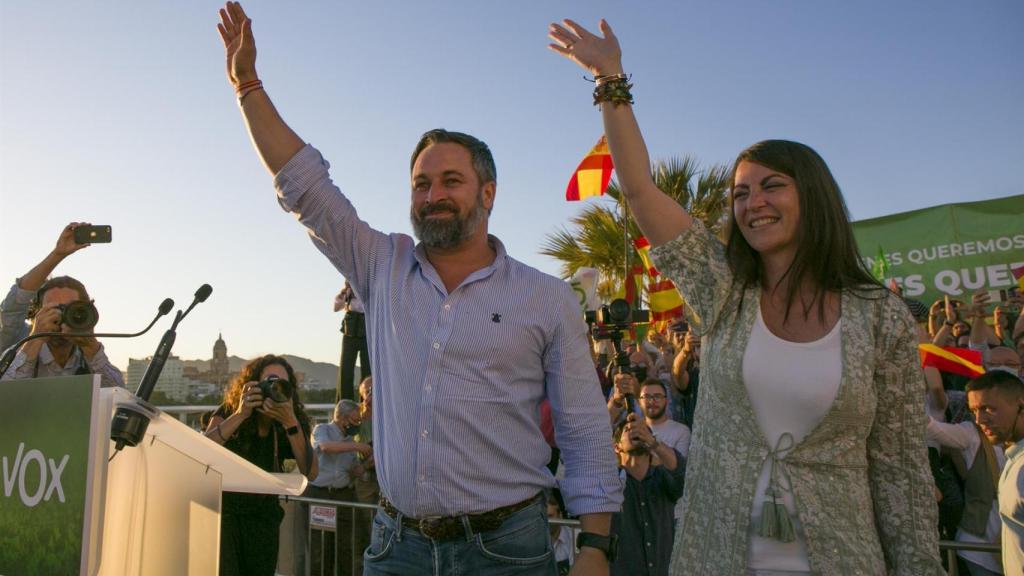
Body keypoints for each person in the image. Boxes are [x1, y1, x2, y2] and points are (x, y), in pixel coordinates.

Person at [216, 5, 622, 575]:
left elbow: (582, 427)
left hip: (508, 550)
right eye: (421, 183)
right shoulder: (381, 266)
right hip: (396, 547)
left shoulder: (547, 299)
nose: (433, 195)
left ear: (488, 193)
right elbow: (305, 185)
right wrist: (247, 86)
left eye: (450, 181)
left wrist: (596, 546)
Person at [548, 19, 943, 574]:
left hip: (840, 559)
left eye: (772, 185)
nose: (752, 202)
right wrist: (609, 79)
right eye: (740, 192)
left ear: (814, 195)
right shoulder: (724, 289)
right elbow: (638, 189)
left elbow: (902, 474)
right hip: (717, 555)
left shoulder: (880, 318)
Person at [205, 354, 317, 576]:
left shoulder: (291, 419)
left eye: (282, 383)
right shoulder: (230, 410)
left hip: (263, 520)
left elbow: (311, 472)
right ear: (253, 383)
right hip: (224, 516)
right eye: (270, 380)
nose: (275, 388)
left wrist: (290, 423)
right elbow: (204, 450)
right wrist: (240, 414)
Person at [610, 412, 685, 576]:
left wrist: (653, 441)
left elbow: (680, 471)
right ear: (617, 447)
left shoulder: (663, 478)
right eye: (628, 430)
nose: (637, 432)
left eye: (643, 430)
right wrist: (615, 403)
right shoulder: (611, 483)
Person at [966, 371, 1024, 575]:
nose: (979, 420)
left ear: (1021, 404)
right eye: (974, 411)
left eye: (989, 409)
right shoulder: (1013, 459)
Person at [306, 398, 368, 576]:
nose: (357, 424)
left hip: (344, 496)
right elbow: (325, 447)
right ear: (341, 417)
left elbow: (353, 470)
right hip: (321, 495)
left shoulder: (349, 440)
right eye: (354, 420)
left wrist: (364, 466)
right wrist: (358, 446)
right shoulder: (322, 430)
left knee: (345, 547)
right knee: (321, 549)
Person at [335, 280, 369, 401]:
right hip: (349, 333)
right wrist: (342, 296)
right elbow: (336, 308)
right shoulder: (348, 293)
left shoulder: (370, 291)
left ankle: (367, 406)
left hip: (367, 333)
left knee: (368, 371)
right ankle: (344, 404)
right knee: (346, 371)